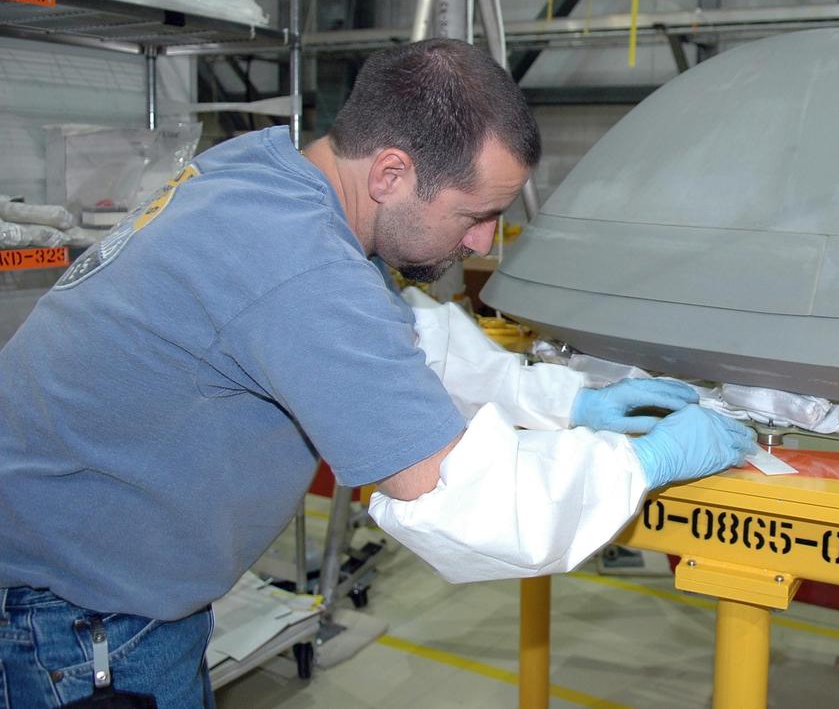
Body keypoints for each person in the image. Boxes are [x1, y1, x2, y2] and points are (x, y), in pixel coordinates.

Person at [0, 39, 754, 708]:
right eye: (475, 213)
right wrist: (645, 460)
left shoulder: (266, 176)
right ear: (392, 171)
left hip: (78, 589)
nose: (487, 237)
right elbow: (465, 501)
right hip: (77, 626)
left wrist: (565, 400)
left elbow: (397, 334)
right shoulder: (300, 264)